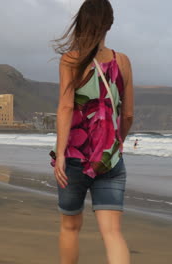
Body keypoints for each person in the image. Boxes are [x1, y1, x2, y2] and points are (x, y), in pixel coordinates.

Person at [49, 0, 134, 263]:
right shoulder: (123, 61)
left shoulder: (71, 60)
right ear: (110, 24)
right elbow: (128, 115)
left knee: (70, 227)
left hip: (75, 157)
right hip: (110, 160)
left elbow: (65, 108)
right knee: (112, 233)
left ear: (81, 22)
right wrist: (116, 145)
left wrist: (61, 154)